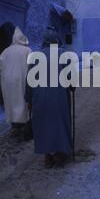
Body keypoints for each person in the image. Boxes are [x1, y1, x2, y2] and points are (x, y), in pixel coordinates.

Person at [25, 31, 73, 168]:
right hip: (59, 97)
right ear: (56, 40)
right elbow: (70, 78)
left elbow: (29, 81)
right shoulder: (64, 54)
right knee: (60, 124)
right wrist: (72, 86)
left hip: (39, 98)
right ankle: (59, 155)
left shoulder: (35, 56)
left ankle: (47, 156)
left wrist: (28, 99)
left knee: (43, 126)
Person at [0, 26, 32, 138]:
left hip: (7, 82)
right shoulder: (27, 50)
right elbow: (32, 67)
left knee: (11, 103)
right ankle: (24, 127)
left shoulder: (5, 52)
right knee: (22, 103)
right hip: (22, 79)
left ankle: (15, 127)